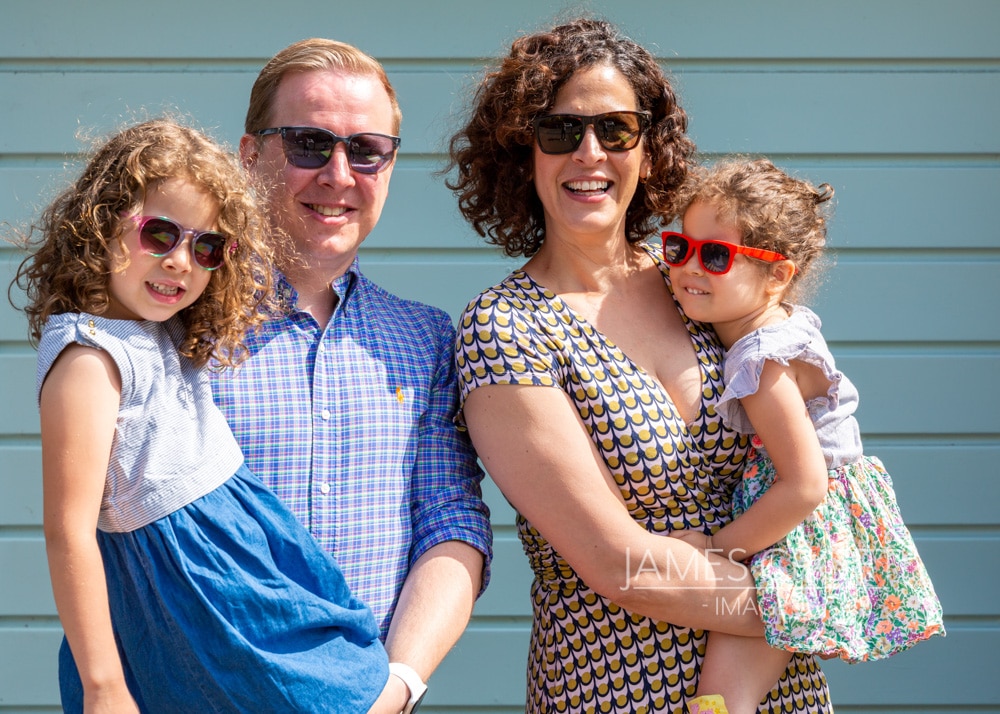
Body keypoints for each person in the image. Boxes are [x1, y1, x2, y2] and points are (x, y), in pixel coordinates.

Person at [446, 17, 833, 714]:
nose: (589, 153)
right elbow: (620, 566)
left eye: (616, 130)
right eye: (560, 131)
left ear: (650, 149)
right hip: (617, 684)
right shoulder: (505, 327)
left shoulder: (703, 287)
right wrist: (818, 606)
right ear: (522, 154)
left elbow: (817, 436)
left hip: (776, 687)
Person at [11, 119, 389, 712]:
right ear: (102, 223)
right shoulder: (90, 358)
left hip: (241, 572)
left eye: (207, 248)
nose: (182, 262)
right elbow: (69, 531)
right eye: (159, 234)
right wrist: (104, 684)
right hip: (190, 593)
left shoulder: (161, 332)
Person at [210, 38, 493, 714]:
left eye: (366, 151)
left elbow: (450, 523)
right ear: (250, 156)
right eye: (309, 144)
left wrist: (397, 687)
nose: (339, 175)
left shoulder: (423, 341)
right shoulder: (181, 326)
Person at [662, 157, 945, 714]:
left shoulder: (761, 359)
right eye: (679, 247)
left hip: (799, 530)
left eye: (716, 256)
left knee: (723, 695)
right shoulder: (783, 322)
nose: (690, 268)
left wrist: (718, 549)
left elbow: (806, 485)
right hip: (803, 518)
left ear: (778, 274)